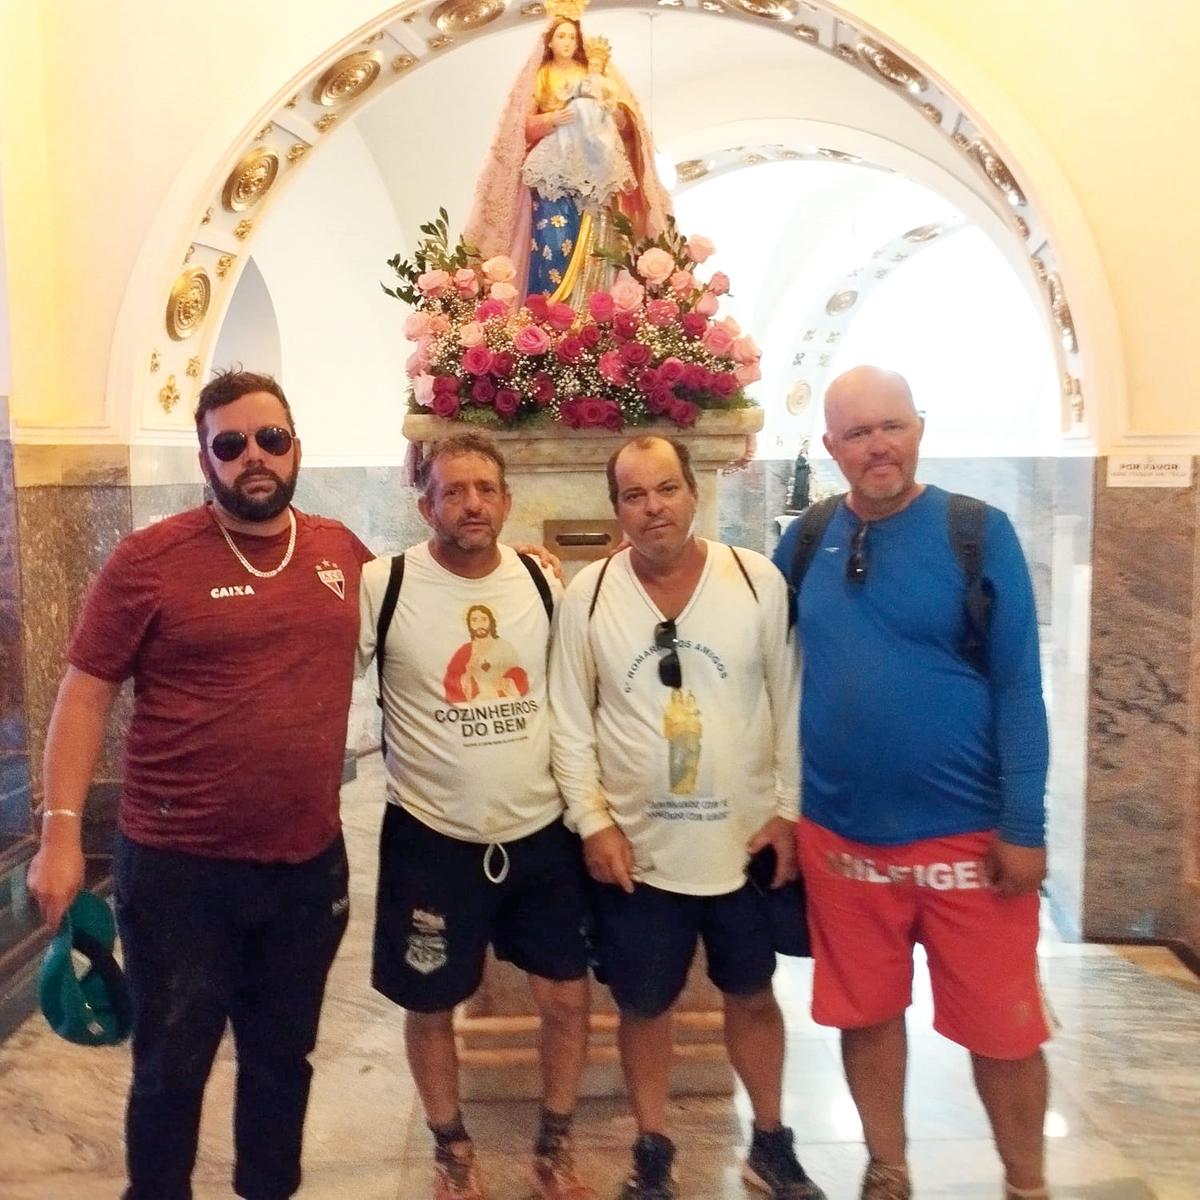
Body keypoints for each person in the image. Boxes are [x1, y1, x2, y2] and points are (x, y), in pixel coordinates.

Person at [26, 369, 372, 1200]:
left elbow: (430, 600)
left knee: (282, 1060)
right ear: (206, 459)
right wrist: (60, 832)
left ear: (295, 446)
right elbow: (83, 691)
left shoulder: (341, 552)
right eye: (231, 444)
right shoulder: (149, 561)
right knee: (171, 1069)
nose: (254, 457)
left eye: (271, 439)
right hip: (180, 870)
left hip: (305, 868)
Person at [773, 367, 1052, 1200]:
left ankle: (1026, 1183)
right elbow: (764, 666)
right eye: (857, 434)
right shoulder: (807, 538)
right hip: (841, 836)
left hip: (969, 838)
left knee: (1004, 1030)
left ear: (919, 428)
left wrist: (1025, 825)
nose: (877, 446)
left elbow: (1018, 685)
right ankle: (887, 1167)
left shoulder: (976, 531)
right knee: (867, 1012)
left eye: (891, 426)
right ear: (831, 448)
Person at [550, 435, 827, 1200]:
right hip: (639, 855)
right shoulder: (590, 597)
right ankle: (653, 1148)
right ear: (617, 509)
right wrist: (594, 822)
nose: (653, 508)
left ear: (693, 491)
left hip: (744, 844)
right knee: (643, 1004)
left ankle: (770, 1141)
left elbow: (790, 699)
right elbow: (569, 720)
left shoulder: (755, 580)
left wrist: (790, 812)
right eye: (634, 496)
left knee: (752, 995)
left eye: (665, 489)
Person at [358, 432, 594, 1200]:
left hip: (539, 834)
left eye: (486, 489)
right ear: (425, 501)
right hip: (432, 840)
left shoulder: (540, 579)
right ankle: (452, 1149)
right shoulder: (383, 585)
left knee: (565, 993)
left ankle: (554, 1144)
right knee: (430, 1001)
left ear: (507, 500)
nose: (472, 504)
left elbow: (573, 688)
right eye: (453, 490)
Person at [464, 9, 671, 305]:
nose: (567, 42)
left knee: (598, 239)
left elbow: (623, 119)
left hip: (594, 169)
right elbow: (523, 127)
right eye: (561, 36)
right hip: (553, 170)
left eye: (572, 36)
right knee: (554, 239)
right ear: (549, 41)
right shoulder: (542, 76)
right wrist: (553, 119)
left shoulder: (591, 74)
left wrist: (609, 110)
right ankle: (551, 309)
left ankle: (589, 307)